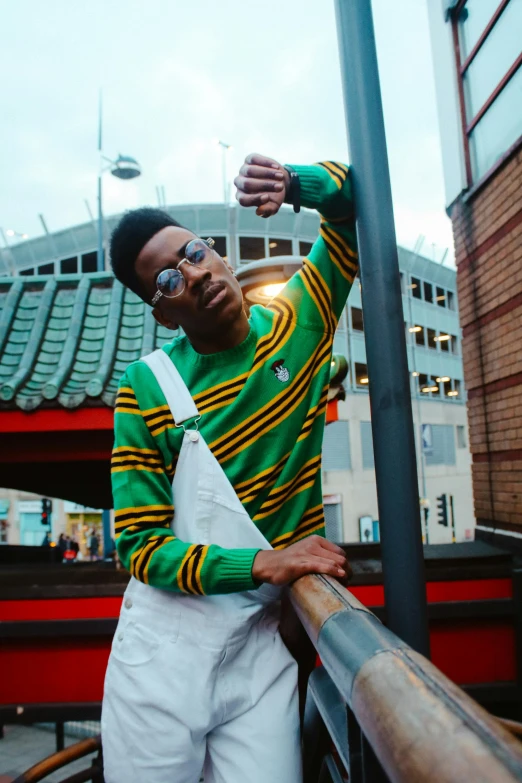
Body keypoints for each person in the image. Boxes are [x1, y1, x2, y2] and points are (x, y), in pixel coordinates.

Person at [101, 153, 358, 783]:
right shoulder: (148, 387)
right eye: (166, 281)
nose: (191, 274)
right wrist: (265, 563)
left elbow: (352, 206)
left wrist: (298, 182)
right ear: (164, 313)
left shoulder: (302, 322)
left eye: (192, 253)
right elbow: (138, 547)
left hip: (261, 648)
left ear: (213, 252)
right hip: (162, 659)